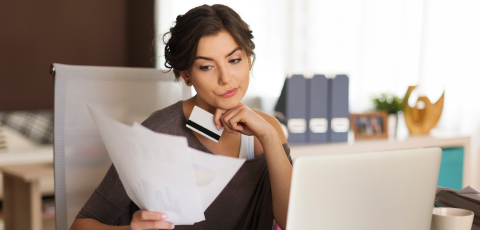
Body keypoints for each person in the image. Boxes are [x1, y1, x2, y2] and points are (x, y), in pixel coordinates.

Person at [69, 4, 292, 230]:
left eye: (234, 60)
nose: (225, 78)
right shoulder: (157, 132)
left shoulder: (267, 130)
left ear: (249, 60)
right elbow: (80, 225)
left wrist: (270, 137)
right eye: (206, 67)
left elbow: (292, 222)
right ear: (186, 75)